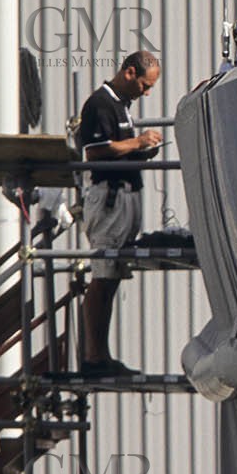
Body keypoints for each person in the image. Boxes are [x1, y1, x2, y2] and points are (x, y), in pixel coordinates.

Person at [76, 50, 162, 376]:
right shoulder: (100, 104)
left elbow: (117, 149)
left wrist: (141, 150)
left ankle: (101, 355)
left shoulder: (122, 107)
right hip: (109, 198)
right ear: (128, 73)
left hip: (124, 195)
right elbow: (95, 150)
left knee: (110, 278)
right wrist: (138, 143)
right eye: (144, 85)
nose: (147, 92)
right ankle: (94, 357)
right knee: (103, 276)